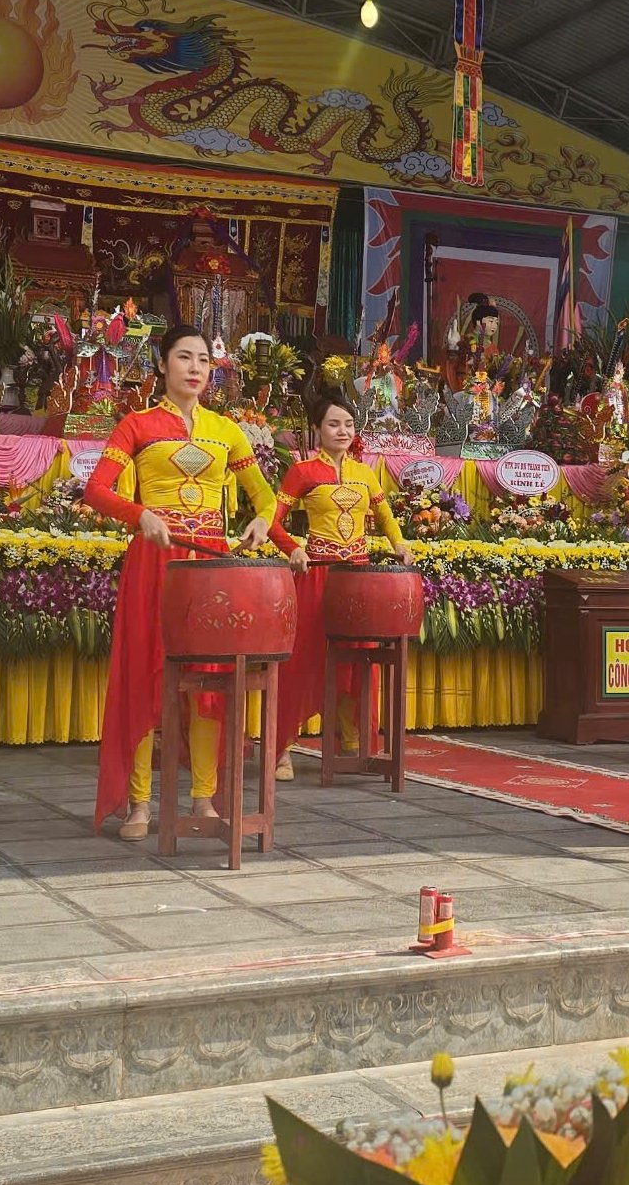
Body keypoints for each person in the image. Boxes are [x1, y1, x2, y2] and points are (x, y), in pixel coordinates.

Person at [86, 326, 275, 840]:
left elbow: (264, 496)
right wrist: (138, 513)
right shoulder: (137, 425)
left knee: (210, 682)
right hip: (155, 563)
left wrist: (262, 520)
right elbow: (96, 490)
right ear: (163, 364)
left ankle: (203, 796)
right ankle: (140, 804)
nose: (195, 368)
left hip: (210, 566)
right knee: (148, 675)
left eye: (204, 361)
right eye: (184, 358)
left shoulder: (226, 430)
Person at [268, 396, 412, 778]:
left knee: (360, 660)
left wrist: (398, 543)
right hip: (318, 577)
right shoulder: (301, 471)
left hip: (359, 581)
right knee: (304, 661)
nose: (343, 431)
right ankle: (280, 749)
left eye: (348, 423)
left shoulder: (365, 473)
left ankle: (353, 742)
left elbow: (384, 515)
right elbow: (272, 521)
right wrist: (293, 548)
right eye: (334, 424)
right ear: (318, 428)